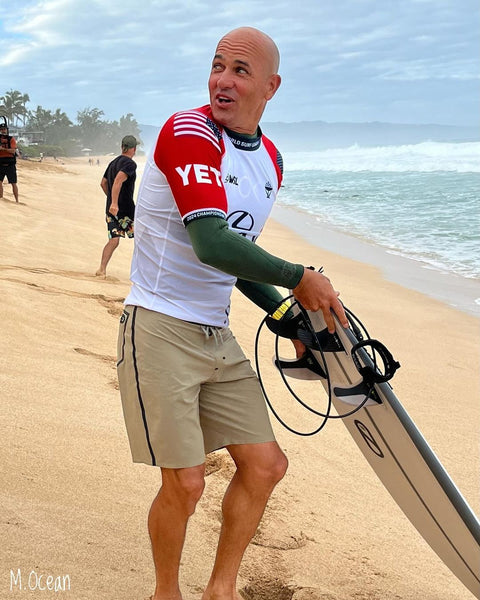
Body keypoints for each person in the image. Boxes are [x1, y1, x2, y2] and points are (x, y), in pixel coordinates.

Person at [117, 27, 348, 600]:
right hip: (159, 325)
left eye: (240, 71)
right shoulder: (187, 131)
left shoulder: (269, 160)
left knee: (266, 465)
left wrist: (288, 316)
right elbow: (213, 245)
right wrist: (300, 278)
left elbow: (238, 263)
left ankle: (220, 589)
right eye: (217, 65)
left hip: (216, 332)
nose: (222, 79)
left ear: (270, 87)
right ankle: (164, 591)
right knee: (188, 483)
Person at [95, 135, 138, 278]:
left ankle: (102, 269)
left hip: (112, 211)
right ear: (134, 149)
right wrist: (115, 202)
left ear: (122, 147)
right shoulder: (130, 164)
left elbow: (103, 183)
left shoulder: (113, 162)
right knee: (142, 238)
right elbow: (119, 180)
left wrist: (112, 202)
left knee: (114, 240)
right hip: (126, 210)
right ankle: (145, 273)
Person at [0, 120, 19, 202]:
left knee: (13, 183)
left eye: (4, 129)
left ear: (7, 130)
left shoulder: (11, 139)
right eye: (1, 129)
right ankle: (1, 199)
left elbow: (13, 151)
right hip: (0, 164)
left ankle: (17, 200)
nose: (3, 130)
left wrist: (3, 149)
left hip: (10, 165)